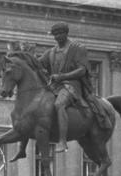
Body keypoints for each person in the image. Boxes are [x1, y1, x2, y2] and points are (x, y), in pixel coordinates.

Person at [38, 22, 90, 153]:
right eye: (55, 35)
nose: (57, 37)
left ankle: (62, 141)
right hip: (54, 86)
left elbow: (82, 70)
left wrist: (62, 76)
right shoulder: (51, 52)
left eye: (59, 34)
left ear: (66, 34)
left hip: (71, 85)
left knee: (59, 104)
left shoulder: (77, 48)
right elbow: (38, 63)